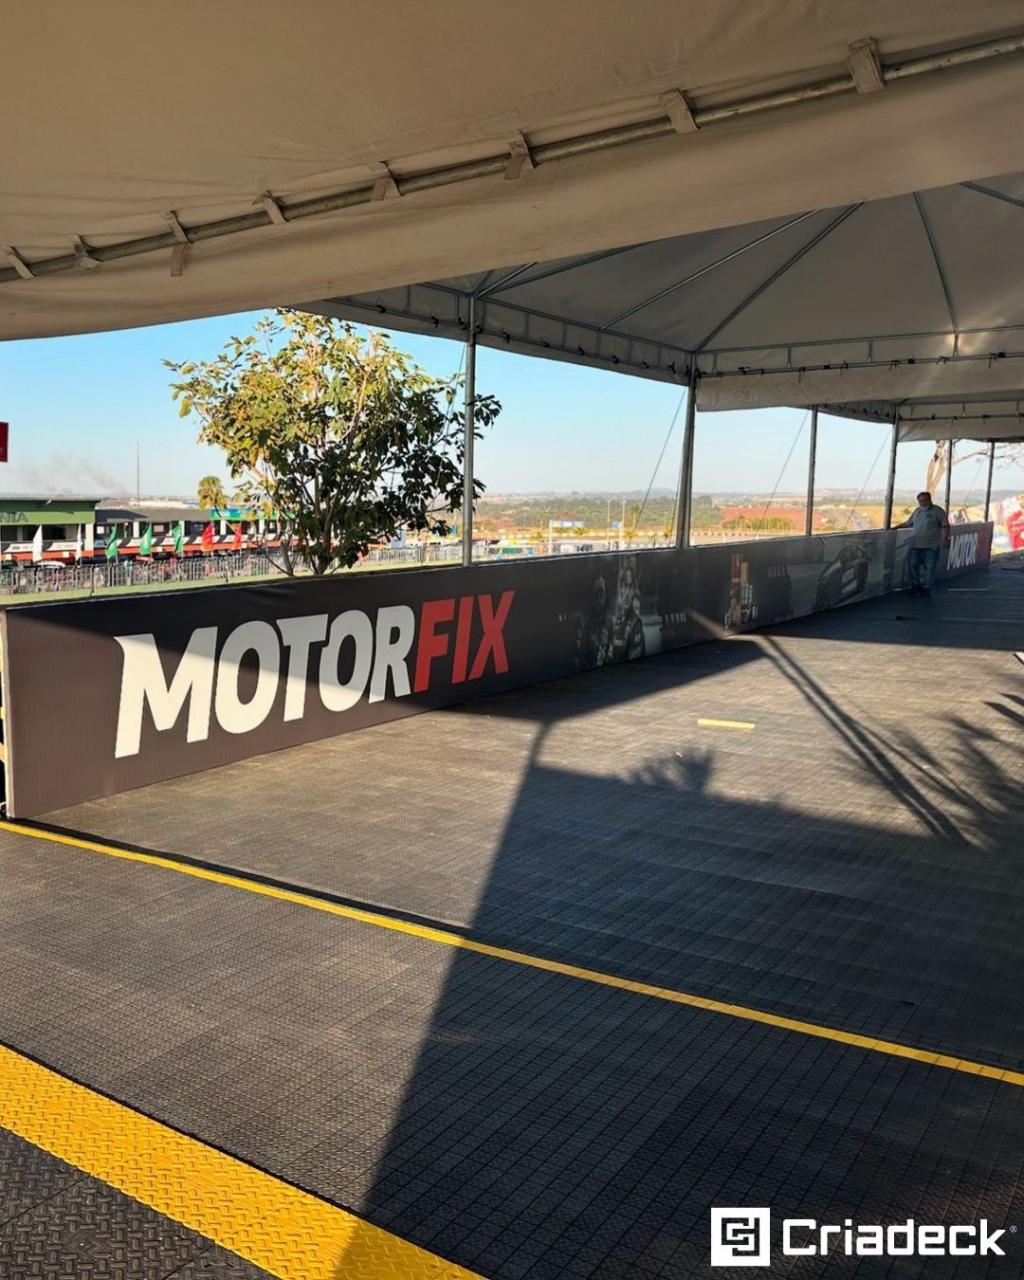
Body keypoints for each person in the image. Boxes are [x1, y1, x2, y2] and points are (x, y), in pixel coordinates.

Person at [895, 491, 950, 596]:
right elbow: (908, 523)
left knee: (930, 567)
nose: (922, 503)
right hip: (915, 545)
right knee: (912, 564)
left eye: (924, 500)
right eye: (920, 501)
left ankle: (926, 588)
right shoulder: (917, 511)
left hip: (932, 546)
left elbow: (945, 525)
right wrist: (894, 528)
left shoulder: (938, 511)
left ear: (930, 500)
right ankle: (916, 585)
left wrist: (945, 539)